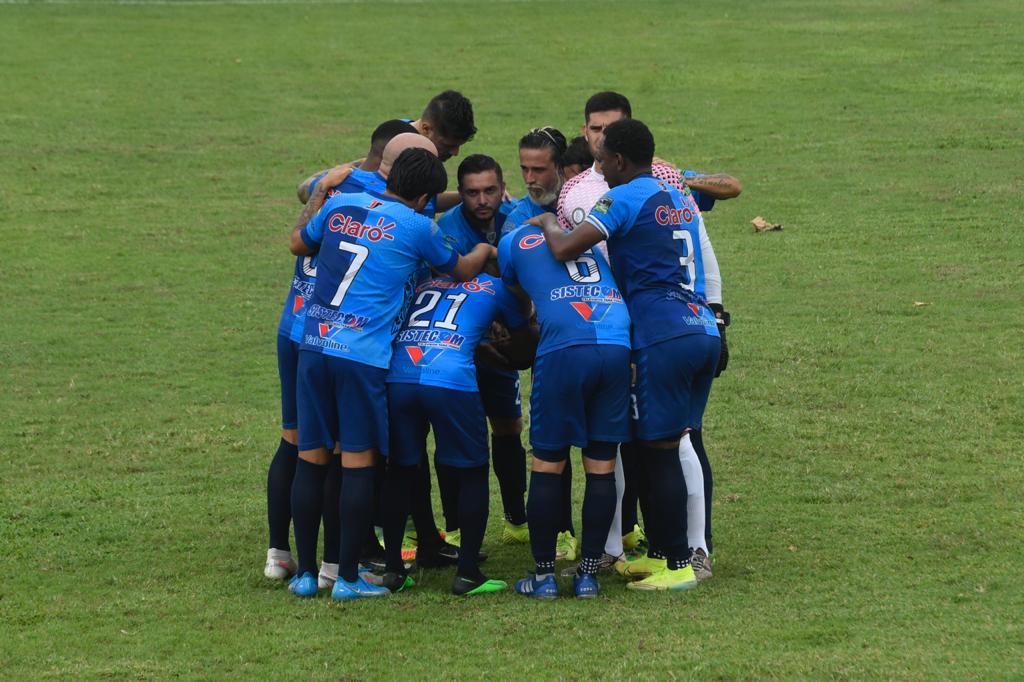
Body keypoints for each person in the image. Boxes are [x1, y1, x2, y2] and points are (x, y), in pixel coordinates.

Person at [286, 148, 494, 600]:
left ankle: (305, 573)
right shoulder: (418, 225)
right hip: (361, 356)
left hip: (313, 344)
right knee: (359, 463)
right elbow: (457, 270)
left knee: (312, 457)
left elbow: (299, 243)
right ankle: (345, 578)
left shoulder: (341, 205)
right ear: (424, 197)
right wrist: (483, 248)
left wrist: (320, 193)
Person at [532, 119, 721, 592]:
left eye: (601, 161)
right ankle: (673, 552)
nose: (598, 170)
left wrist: (548, 221)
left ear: (618, 160)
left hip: (661, 333)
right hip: (700, 327)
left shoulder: (623, 197)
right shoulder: (677, 195)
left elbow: (566, 248)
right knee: (677, 443)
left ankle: (677, 564)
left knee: (658, 452)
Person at [382, 268, 536, 596]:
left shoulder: (422, 279)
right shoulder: (497, 287)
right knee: (473, 472)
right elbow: (523, 354)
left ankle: (394, 570)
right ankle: (468, 573)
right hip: (450, 377)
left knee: (400, 470)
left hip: (400, 375)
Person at [500, 218, 632, 599]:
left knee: (548, 463)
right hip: (615, 344)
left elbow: (517, 298)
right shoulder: (584, 239)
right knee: (602, 466)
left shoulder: (513, 241)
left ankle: (544, 577)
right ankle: (588, 575)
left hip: (564, 350)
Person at [436, 155, 531, 545]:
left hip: (504, 340)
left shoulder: (515, 217)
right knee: (453, 436)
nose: (482, 200)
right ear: (460, 193)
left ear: (501, 187)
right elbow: (446, 286)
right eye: (472, 192)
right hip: (460, 346)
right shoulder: (448, 228)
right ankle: (456, 529)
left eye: (490, 190)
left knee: (508, 427)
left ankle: (516, 519)